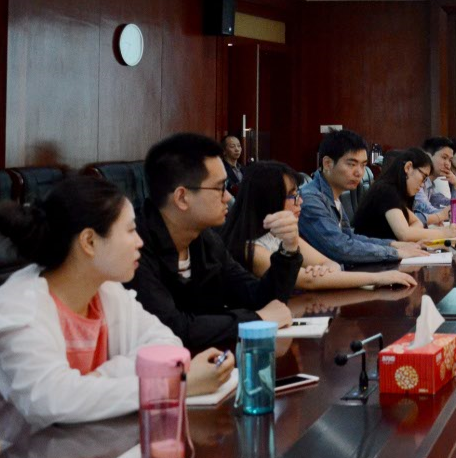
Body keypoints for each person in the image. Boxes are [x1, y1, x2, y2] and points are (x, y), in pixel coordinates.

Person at [0, 176, 232, 429]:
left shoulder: (106, 291)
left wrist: (95, 381)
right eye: (131, 230)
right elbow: (52, 401)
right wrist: (172, 384)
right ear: (89, 242)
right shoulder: (20, 308)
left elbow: (167, 344)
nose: (140, 242)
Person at [128, 133, 302, 352]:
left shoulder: (205, 239)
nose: (227, 197)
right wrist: (256, 319)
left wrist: (289, 250)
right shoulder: (133, 246)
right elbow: (173, 328)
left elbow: (260, 298)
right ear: (182, 197)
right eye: (220, 188)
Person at [223, 161, 416, 291]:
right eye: (292, 196)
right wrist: (378, 278)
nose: (300, 202)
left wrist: (323, 271)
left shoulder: (281, 234)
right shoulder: (251, 249)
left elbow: (329, 263)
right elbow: (306, 280)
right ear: (269, 200)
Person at [298, 130, 428, 264]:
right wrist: (395, 252)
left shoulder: (333, 194)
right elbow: (340, 248)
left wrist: (393, 245)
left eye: (363, 165)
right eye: (352, 164)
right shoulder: (311, 199)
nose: (359, 172)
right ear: (327, 163)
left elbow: (349, 237)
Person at [354, 149, 456, 242]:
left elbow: (416, 222)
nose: (422, 185)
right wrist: (443, 233)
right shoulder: (386, 190)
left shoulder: (397, 192)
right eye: (423, 177)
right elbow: (404, 234)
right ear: (408, 167)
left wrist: (411, 235)